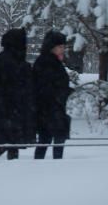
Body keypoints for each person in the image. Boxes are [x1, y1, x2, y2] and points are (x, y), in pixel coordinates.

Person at [0, 28, 34, 162]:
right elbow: (16, 84)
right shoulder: (10, 60)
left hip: (6, 110)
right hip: (9, 110)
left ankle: (8, 168)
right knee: (7, 143)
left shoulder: (5, 58)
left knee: (9, 144)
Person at [33, 30, 73, 160]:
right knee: (51, 140)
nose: (63, 49)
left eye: (63, 47)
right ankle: (54, 166)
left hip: (52, 109)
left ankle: (44, 166)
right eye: (60, 47)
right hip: (50, 109)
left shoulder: (52, 62)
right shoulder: (46, 62)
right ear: (52, 47)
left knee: (46, 140)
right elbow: (44, 87)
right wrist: (62, 92)